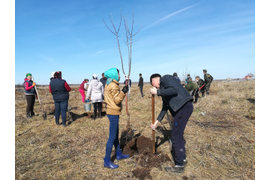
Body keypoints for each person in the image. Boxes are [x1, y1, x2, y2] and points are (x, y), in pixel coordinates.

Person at [149, 73, 193, 173]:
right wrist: (156, 122)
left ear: (154, 80)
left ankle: (179, 166)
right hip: (182, 109)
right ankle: (182, 159)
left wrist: (158, 92)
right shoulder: (165, 90)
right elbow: (165, 108)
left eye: (152, 83)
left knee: (175, 136)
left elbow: (174, 90)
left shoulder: (165, 78)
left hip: (182, 107)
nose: (153, 86)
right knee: (178, 134)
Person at [103, 68, 129, 169]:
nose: (119, 76)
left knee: (115, 134)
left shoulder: (108, 83)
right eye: (118, 74)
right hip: (113, 112)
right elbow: (117, 100)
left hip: (111, 111)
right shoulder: (114, 85)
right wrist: (123, 92)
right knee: (112, 137)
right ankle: (107, 160)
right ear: (114, 74)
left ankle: (119, 154)